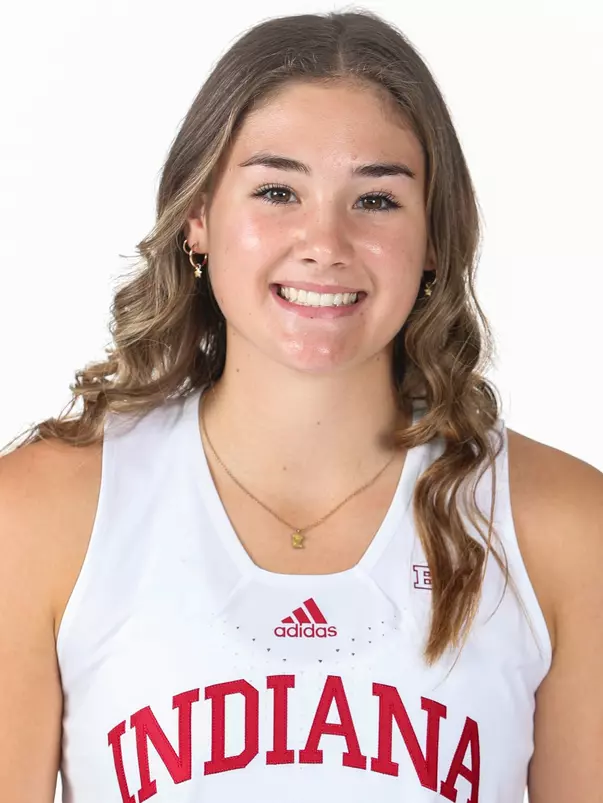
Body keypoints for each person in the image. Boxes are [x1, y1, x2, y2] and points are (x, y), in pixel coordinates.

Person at [0, 9, 601, 803]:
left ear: (432, 239)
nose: (324, 241)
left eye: (376, 200)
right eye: (278, 190)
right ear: (199, 218)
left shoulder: (561, 528)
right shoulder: (41, 515)